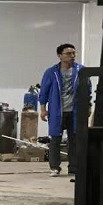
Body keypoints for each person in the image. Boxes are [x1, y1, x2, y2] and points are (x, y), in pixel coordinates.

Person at [39, 43, 85, 177]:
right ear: (60, 56)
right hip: (57, 111)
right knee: (55, 140)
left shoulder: (81, 70)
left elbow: (87, 89)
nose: (72, 56)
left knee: (74, 140)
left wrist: (87, 106)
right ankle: (54, 167)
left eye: (74, 53)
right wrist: (43, 109)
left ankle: (74, 168)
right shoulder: (51, 72)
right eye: (68, 53)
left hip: (75, 112)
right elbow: (44, 92)